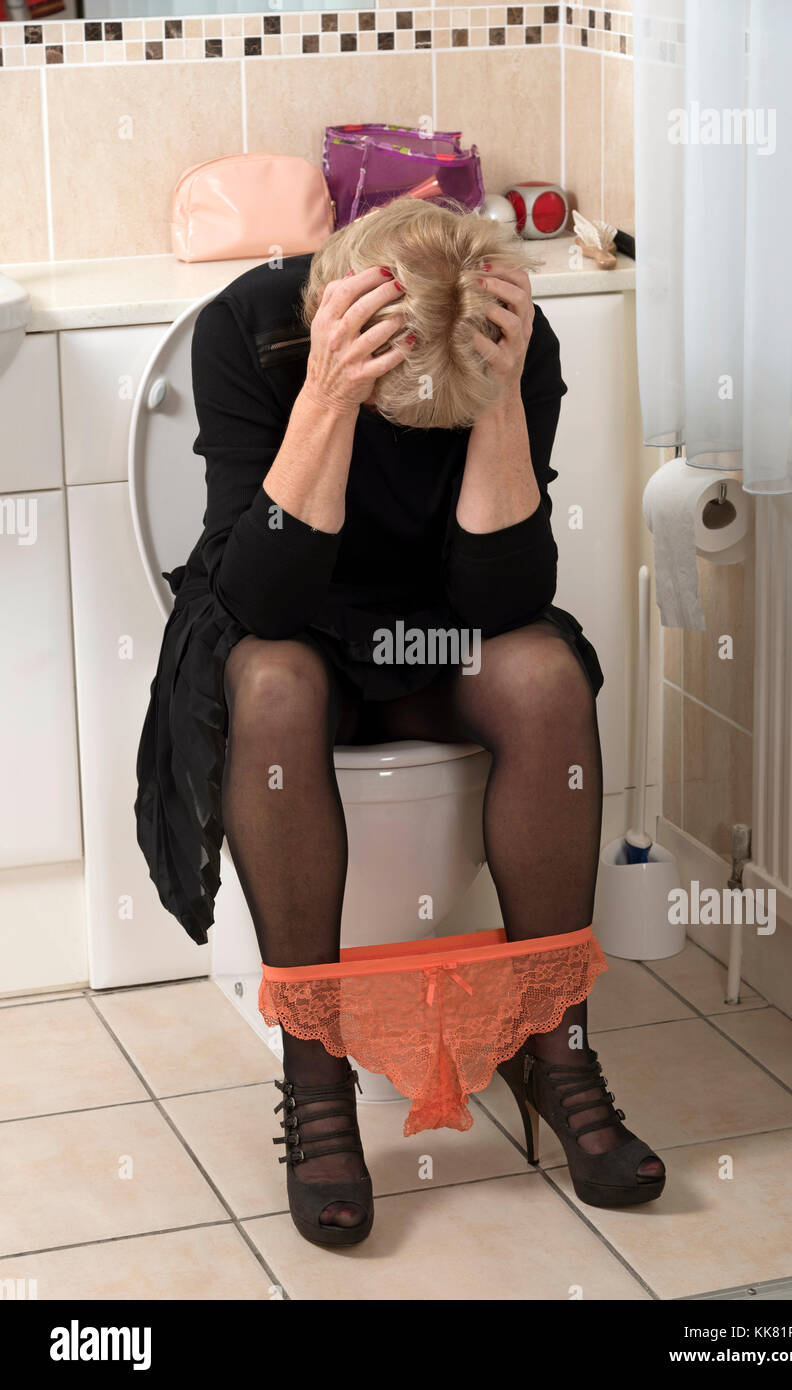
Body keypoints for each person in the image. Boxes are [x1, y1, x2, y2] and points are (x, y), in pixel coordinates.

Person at [136, 198, 665, 1249]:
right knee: (277, 688)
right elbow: (264, 602)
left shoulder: (508, 327)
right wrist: (329, 400)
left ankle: (551, 1045)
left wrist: (502, 400)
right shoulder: (248, 328)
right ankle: (316, 1071)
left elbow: (500, 600)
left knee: (544, 677)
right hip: (283, 611)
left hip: (440, 621)